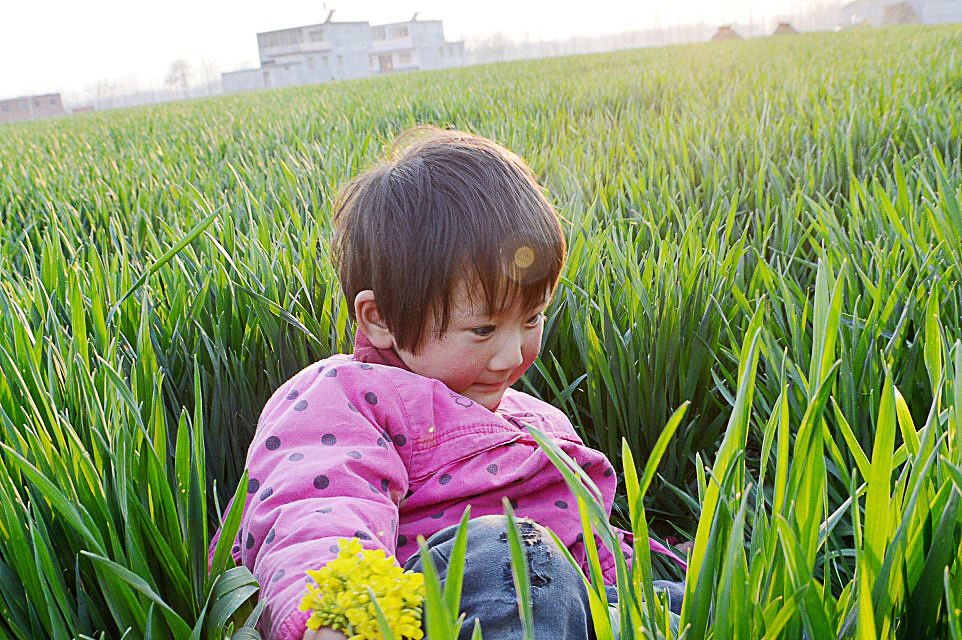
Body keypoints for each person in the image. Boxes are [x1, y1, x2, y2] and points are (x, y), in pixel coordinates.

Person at [210, 128, 686, 640]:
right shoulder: (346, 397)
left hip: (567, 601)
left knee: (687, 597)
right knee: (511, 552)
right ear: (381, 319)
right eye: (482, 329)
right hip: (425, 613)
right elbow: (316, 511)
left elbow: (586, 548)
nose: (513, 354)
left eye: (532, 318)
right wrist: (343, 615)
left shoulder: (532, 419)